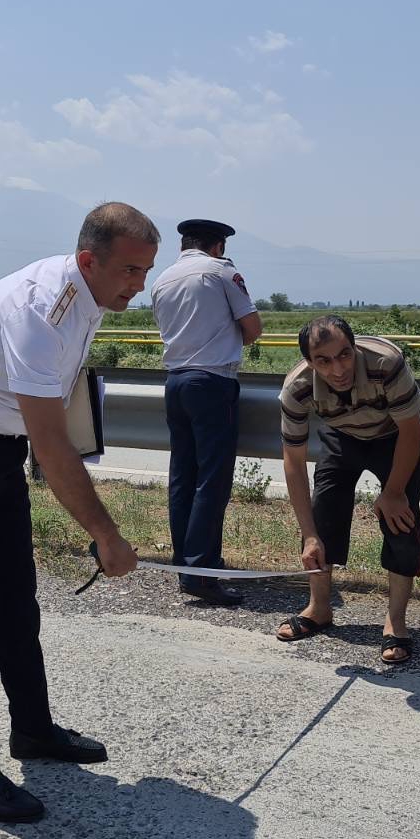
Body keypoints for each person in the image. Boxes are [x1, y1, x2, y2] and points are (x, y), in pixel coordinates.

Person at [0, 202, 154, 824]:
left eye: (146, 271)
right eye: (131, 270)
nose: (140, 284)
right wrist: (106, 535)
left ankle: (33, 730)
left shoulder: (89, 294)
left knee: (16, 602)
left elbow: (56, 410)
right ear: (90, 260)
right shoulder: (44, 308)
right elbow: (51, 444)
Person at [274, 316, 420, 665]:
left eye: (344, 355)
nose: (338, 369)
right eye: (323, 361)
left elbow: (412, 430)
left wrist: (393, 492)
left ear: (355, 348)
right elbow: (293, 462)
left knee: (400, 521)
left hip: (396, 434)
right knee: (323, 512)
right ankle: (319, 608)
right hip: (342, 434)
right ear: (309, 362)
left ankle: (396, 621)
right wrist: (309, 534)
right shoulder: (297, 387)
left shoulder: (386, 362)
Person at [150, 219, 263, 606]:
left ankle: (186, 564)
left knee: (183, 477)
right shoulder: (221, 271)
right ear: (218, 246)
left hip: (175, 382)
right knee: (212, 481)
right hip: (212, 382)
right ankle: (202, 571)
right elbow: (253, 328)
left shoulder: (162, 280)